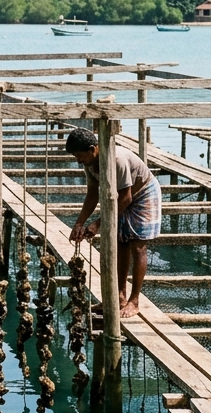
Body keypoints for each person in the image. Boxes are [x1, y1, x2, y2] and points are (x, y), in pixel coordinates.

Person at [65, 126, 161, 319]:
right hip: (121, 197)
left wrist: (98, 224)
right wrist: (79, 224)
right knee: (120, 243)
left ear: (93, 149)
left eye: (79, 155)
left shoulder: (116, 160)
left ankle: (134, 301)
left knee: (138, 246)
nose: (78, 160)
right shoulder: (90, 164)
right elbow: (92, 195)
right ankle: (119, 297)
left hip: (143, 194)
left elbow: (126, 198)